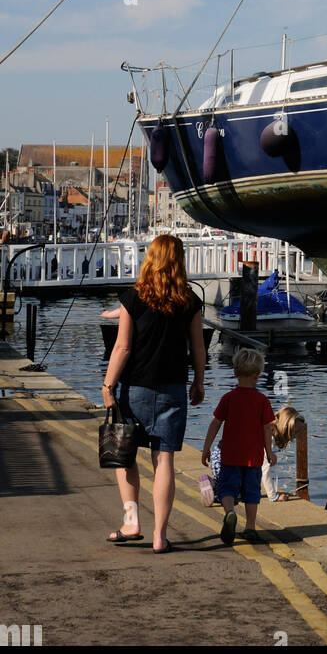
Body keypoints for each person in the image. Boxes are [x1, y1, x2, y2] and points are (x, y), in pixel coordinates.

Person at [101, 234, 205, 553]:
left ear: (151, 258)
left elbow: (123, 347)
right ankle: (160, 536)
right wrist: (199, 381)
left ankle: (132, 522)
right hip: (173, 388)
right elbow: (198, 348)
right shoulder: (189, 301)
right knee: (164, 460)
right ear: (178, 261)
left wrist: (108, 385)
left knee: (125, 454)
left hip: (136, 389)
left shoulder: (133, 298)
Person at [202, 348, 276, 545]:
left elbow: (215, 423)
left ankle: (230, 513)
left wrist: (206, 447)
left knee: (226, 488)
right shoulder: (262, 400)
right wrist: (269, 452)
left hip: (230, 454)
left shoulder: (228, 398)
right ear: (257, 376)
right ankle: (250, 527)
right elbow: (267, 429)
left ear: (235, 373)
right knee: (252, 492)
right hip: (253, 456)